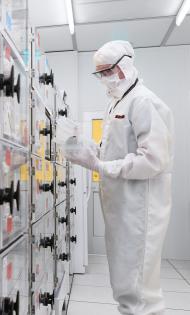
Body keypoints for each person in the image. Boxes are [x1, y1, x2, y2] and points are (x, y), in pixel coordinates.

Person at [66, 40, 174, 315]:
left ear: (124, 66)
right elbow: (118, 148)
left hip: (139, 211)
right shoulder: (117, 102)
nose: (104, 78)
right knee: (126, 285)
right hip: (122, 210)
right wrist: (94, 149)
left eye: (107, 71)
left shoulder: (144, 101)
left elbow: (153, 160)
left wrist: (99, 165)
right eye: (100, 73)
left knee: (138, 291)